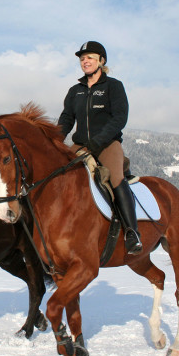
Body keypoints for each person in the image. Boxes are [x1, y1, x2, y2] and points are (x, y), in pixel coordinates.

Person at [57, 41, 143, 255]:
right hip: (80, 144)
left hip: (107, 144)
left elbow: (119, 118)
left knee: (115, 178)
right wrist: (55, 140)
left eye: (90, 58)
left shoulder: (113, 86)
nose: (85, 61)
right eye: (82, 59)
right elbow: (67, 118)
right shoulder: (74, 91)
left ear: (101, 61)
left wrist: (99, 140)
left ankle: (132, 233)